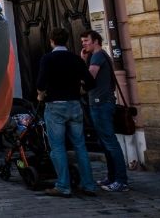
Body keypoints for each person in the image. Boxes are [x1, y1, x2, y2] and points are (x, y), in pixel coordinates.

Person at [36, 27, 97, 198]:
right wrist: (80, 91)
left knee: (57, 147)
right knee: (80, 146)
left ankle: (63, 185)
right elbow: (90, 82)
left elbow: (40, 83)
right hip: (74, 105)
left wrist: (41, 94)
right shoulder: (75, 59)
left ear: (52, 41)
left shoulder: (48, 59)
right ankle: (89, 185)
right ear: (67, 41)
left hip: (55, 106)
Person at [81, 30, 129, 192]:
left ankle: (121, 180)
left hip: (101, 103)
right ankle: (112, 177)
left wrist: (82, 62)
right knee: (105, 142)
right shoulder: (101, 55)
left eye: (86, 40)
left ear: (96, 41)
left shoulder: (97, 56)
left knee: (110, 142)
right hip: (101, 102)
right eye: (83, 41)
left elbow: (89, 78)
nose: (84, 44)